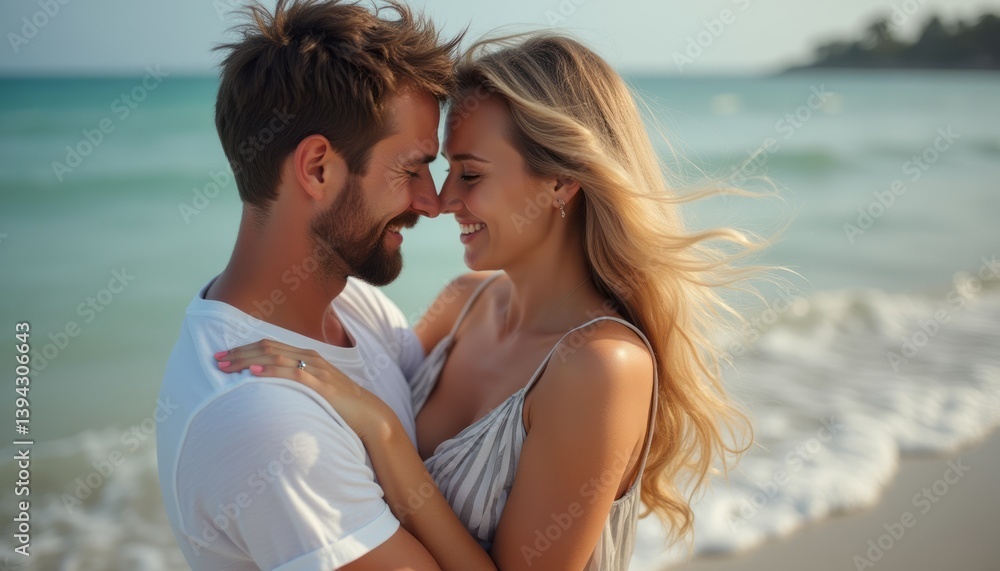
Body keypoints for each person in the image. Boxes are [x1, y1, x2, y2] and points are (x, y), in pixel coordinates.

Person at [219, 34, 759, 569]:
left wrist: (384, 434)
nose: (442, 199)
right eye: (445, 167)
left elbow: (383, 433)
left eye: (471, 174)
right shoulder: (461, 303)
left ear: (561, 181)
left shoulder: (600, 367)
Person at [155, 0, 463, 568]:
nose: (433, 201)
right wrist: (385, 430)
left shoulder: (357, 308)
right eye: (411, 168)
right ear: (318, 167)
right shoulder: (263, 419)